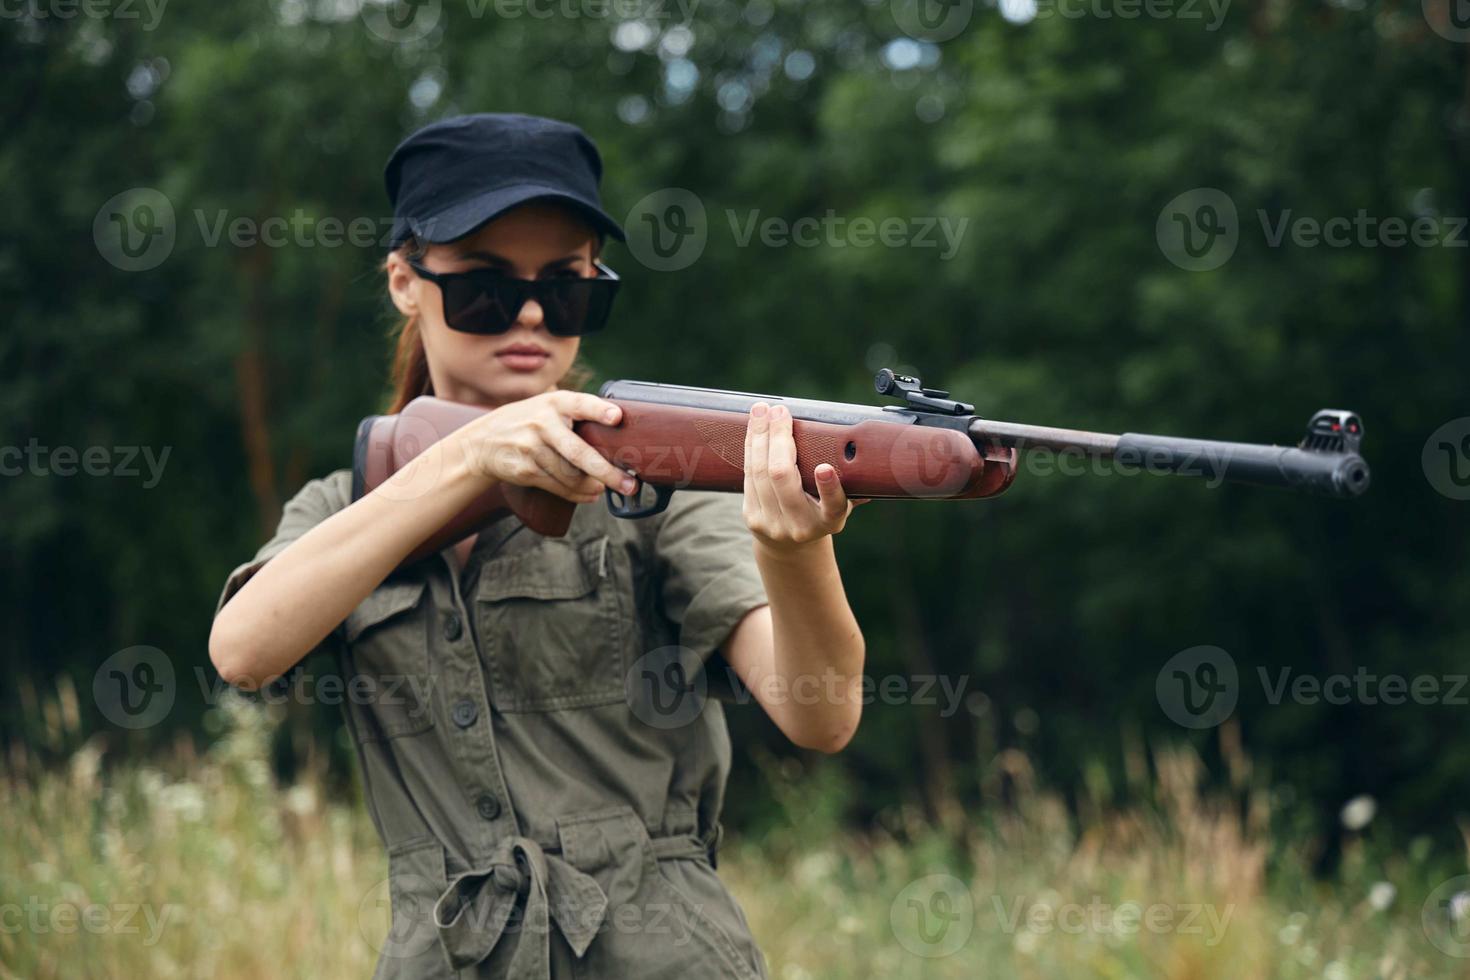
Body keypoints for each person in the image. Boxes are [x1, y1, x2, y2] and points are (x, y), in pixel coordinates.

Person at [208, 113, 867, 979]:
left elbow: (819, 715)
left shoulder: (657, 491)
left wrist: (795, 552)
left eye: (566, 290)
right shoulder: (349, 503)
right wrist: (464, 460)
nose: (528, 315)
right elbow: (244, 652)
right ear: (405, 282)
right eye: (484, 286)